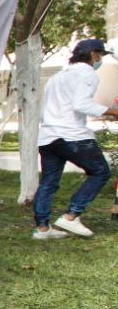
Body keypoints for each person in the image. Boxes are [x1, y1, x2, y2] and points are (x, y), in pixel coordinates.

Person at [31, 38, 118, 239]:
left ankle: (42, 229)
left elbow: (50, 110)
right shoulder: (87, 73)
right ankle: (71, 216)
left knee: (49, 182)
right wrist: (113, 111)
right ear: (93, 54)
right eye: (100, 55)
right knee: (100, 172)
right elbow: (82, 105)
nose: (100, 60)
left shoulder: (57, 76)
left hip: (48, 136)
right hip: (72, 135)